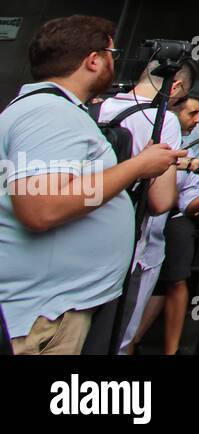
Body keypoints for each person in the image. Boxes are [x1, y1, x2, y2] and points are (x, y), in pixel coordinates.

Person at [0, 17, 184, 355]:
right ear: (94, 59)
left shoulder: (52, 110)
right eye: (111, 53)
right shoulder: (50, 113)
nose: (113, 62)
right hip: (42, 316)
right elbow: (42, 207)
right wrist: (136, 167)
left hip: (52, 308)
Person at [97, 57, 199, 352]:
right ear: (177, 87)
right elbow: (160, 201)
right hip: (133, 249)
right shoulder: (162, 120)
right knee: (116, 339)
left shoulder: (98, 108)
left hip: (87, 239)